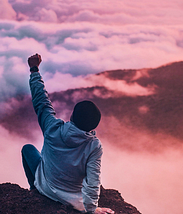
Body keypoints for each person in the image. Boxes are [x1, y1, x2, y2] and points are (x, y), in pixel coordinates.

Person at [21, 53, 114, 214]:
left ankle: (34, 189)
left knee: (28, 149)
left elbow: (41, 101)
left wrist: (34, 70)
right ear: (93, 126)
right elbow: (93, 181)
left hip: (46, 188)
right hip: (73, 200)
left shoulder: (52, 128)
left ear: (72, 116)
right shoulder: (94, 146)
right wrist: (92, 210)